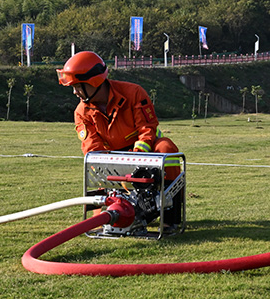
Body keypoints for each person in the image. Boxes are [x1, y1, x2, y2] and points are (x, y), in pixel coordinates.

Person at [57, 51, 182, 222]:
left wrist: (137, 160)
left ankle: (170, 218)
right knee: (102, 221)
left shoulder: (134, 93)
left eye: (77, 86)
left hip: (146, 151)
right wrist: (111, 171)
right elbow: (92, 148)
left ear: (93, 82)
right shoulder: (81, 112)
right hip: (112, 160)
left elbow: (146, 129)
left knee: (166, 149)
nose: (74, 92)